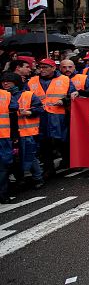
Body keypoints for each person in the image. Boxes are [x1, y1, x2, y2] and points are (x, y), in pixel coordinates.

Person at [1, 72, 45, 200]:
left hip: (26, 132)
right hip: (9, 133)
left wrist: (29, 112)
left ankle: (37, 178)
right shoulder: (4, 95)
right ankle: (22, 179)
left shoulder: (27, 94)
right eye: (3, 81)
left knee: (29, 156)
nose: (5, 83)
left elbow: (40, 109)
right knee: (14, 159)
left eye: (8, 81)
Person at [28, 58, 75, 175]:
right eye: (40, 67)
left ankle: (68, 161)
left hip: (59, 116)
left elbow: (73, 95)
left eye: (45, 67)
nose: (42, 70)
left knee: (62, 141)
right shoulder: (31, 81)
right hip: (40, 116)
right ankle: (49, 168)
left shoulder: (65, 80)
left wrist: (64, 101)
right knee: (44, 143)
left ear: (53, 68)